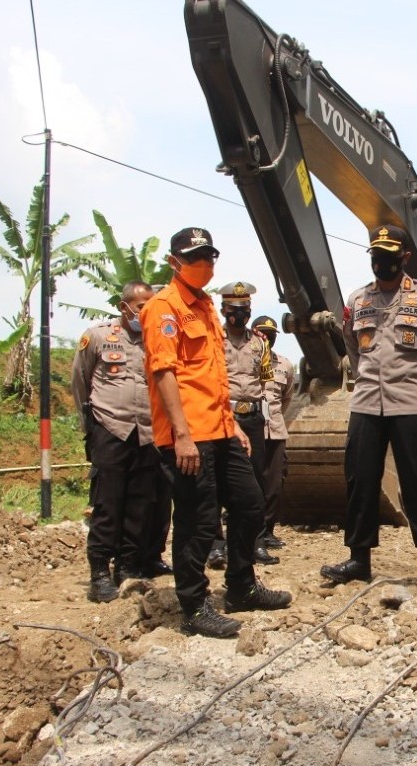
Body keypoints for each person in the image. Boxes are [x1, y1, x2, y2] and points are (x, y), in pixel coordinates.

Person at [142, 226, 290, 639]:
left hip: (221, 430)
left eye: (209, 257)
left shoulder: (206, 306)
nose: (204, 265)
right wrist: (183, 436)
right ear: (175, 263)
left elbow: (212, 374)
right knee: (197, 521)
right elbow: (165, 373)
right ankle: (193, 605)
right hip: (188, 436)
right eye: (195, 259)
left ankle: (241, 586)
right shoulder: (163, 308)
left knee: (249, 504)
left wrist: (231, 425)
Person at [320, 224, 417, 591]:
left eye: (389, 256)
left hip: (413, 402)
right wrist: (365, 376)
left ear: (404, 258)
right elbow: (351, 345)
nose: (381, 262)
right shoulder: (356, 300)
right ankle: (358, 558)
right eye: (376, 256)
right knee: (360, 480)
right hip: (366, 403)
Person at [71, 282, 161, 604]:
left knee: (139, 505)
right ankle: (99, 574)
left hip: (147, 432)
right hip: (110, 428)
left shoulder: (157, 340)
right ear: (125, 308)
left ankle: (127, 567)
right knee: (107, 504)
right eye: (140, 307)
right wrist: (91, 428)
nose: (145, 313)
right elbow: (80, 382)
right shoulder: (97, 336)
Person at [212, 281, 279, 567]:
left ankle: (256, 542)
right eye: (234, 309)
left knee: (255, 482)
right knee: (215, 482)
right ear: (224, 309)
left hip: (252, 417)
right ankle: (216, 545)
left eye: (245, 309)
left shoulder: (260, 343)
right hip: (220, 417)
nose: (240, 313)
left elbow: (265, 381)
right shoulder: (213, 339)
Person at [251, 315, 294, 550]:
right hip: (250, 432)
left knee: (273, 485)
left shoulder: (285, 365)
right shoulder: (244, 361)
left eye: (271, 334)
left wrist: (273, 418)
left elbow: (286, 397)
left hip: (275, 432)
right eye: (262, 332)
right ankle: (252, 533)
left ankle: (267, 531)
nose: (267, 337)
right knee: (251, 484)